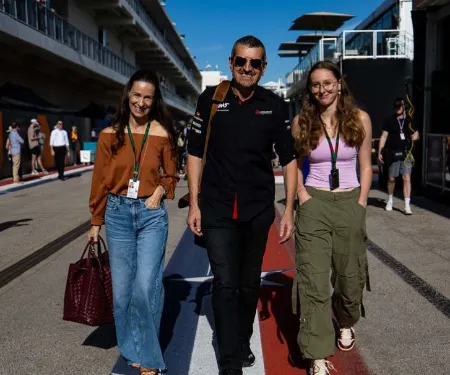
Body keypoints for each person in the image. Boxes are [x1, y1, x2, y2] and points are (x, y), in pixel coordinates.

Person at [186, 35, 298, 375]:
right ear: (231, 63)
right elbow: (192, 152)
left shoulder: (273, 105)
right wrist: (194, 203)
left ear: (263, 68)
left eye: (254, 63)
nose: (246, 68)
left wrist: (289, 209)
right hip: (217, 206)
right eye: (241, 61)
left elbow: (290, 159)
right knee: (225, 282)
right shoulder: (211, 99)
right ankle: (230, 360)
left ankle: (243, 338)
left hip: (257, 208)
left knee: (249, 284)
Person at [88, 69, 178, 375]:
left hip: (151, 215)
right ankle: (131, 348)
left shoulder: (163, 133)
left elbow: (170, 174)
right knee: (123, 291)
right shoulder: (109, 133)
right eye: (137, 95)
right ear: (128, 95)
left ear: (155, 101)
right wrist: (95, 220)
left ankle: (150, 358)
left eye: (148, 97)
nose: (141, 102)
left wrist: (161, 191)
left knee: (145, 286)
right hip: (117, 214)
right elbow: (100, 179)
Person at [291, 60, 372, 375]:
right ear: (310, 90)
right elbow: (295, 164)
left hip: (350, 201)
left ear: (339, 84)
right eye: (315, 84)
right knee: (313, 280)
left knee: (349, 277)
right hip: (315, 203)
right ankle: (317, 353)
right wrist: (302, 196)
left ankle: (347, 320)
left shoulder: (360, 119)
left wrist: (362, 202)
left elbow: (365, 164)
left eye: (327, 82)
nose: (321, 89)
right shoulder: (301, 122)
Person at [378, 98, 419, 214]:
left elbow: (416, 134)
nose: (397, 108)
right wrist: (380, 152)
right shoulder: (389, 120)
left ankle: (407, 205)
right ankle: (390, 200)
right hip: (393, 153)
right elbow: (383, 137)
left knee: (406, 177)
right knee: (391, 178)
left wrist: (415, 137)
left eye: (399, 106)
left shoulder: (410, 120)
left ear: (404, 107)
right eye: (395, 106)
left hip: (407, 153)